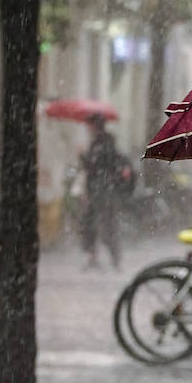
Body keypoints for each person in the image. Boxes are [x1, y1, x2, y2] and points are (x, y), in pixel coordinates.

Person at [78, 114, 123, 270]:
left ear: (95, 126)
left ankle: (111, 257)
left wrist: (82, 156)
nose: (87, 128)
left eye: (89, 125)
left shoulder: (101, 143)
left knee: (102, 224)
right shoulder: (104, 142)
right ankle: (98, 257)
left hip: (101, 189)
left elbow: (95, 165)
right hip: (101, 189)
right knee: (94, 223)